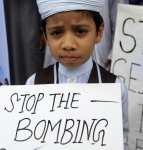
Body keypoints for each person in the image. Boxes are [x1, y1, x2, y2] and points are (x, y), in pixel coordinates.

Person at [26, 0, 129, 149]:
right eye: (56, 32)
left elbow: (120, 141)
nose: (68, 44)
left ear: (99, 32)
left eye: (80, 31)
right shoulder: (33, 84)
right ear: (46, 36)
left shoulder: (115, 88)